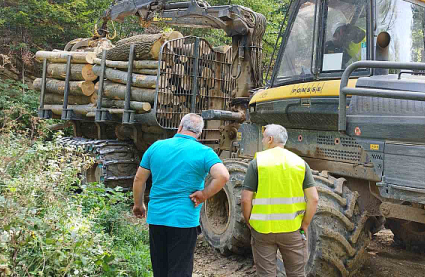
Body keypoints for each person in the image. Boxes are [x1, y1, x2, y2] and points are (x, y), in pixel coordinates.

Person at [132, 113, 230, 277]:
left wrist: (138, 204)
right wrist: (204, 194)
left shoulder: (156, 147)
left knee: (160, 268)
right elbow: (223, 176)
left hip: (157, 218)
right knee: (180, 269)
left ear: (180, 127)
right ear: (199, 133)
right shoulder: (204, 152)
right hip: (184, 220)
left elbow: (139, 179)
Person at [241, 124, 319, 277]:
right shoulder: (300, 163)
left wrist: (250, 221)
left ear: (270, 139)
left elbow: (245, 199)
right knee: (296, 274)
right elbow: (314, 199)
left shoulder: (257, 163)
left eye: (264, 138)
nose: (263, 141)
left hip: (263, 230)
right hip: (292, 230)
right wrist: (304, 224)